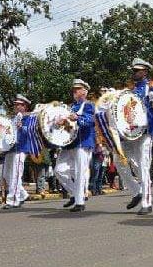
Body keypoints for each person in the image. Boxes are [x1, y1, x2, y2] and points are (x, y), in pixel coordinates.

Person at [116, 58, 153, 215]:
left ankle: (147, 203)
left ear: (145, 72)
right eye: (133, 70)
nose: (134, 73)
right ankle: (136, 192)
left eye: (137, 71)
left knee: (143, 165)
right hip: (129, 134)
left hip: (145, 132)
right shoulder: (130, 92)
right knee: (119, 162)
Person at [55, 79, 96, 212]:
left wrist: (78, 118)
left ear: (84, 91)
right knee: (59, 170)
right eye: (73, 89)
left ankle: (79, 202)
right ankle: (75, 194)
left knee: (79, 172)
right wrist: (61, 122)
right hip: (69, 144)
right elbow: (67, 125)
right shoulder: (70, 107)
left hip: (83, 142)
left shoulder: (88, 105)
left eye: (77, 89)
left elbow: (90, 121)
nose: (74, 91)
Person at [2, 94, 33, 209]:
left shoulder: (28, 117)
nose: (16, 106)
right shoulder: (13, 118)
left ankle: (12, 200)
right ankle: (23, 195)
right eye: (15, 104)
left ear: (24, 106)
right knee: (6, 175)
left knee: (15, 174)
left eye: (18, 105)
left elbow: (32, 132)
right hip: (10, 149)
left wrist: (23, 127)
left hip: (20, 149)